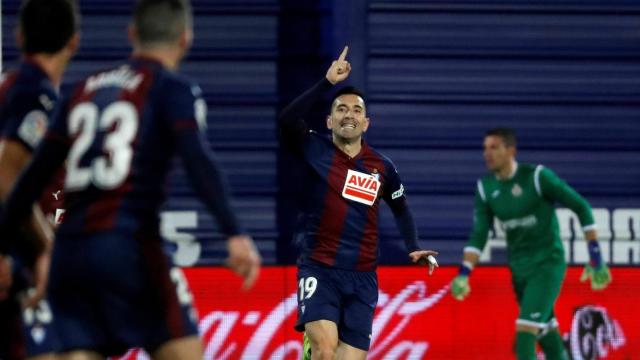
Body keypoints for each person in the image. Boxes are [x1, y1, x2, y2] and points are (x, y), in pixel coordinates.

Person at [0, 0, 261, 359]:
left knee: (80, 351)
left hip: (69, 254)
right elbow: (198, 161)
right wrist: (234, 232)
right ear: (185, 39)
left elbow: (28, 180)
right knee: (184, 349)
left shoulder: (81, 90)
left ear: (131, 34)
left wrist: (2, 246)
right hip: (130, 246)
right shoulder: (171, 88)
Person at [279, 46, 438, 360]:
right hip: (319, 268)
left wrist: (413, 246)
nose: (348, 114)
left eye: (355, 110)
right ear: (328, 121)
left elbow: (401, 209)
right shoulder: (314, 149)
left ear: (366, 123)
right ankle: (315, 348)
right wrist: (327, 83)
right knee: (326, 351)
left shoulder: (383, 167)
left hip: (363, 277)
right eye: (340, 109)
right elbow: (286, 120)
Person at [450, 127, 612, 360]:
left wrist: (595, 255)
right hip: (519, 270)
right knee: (548, 336)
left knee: (524, 337)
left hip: (547, 265)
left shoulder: (536, 177)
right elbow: (479, 235)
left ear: (511, 150)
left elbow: (581, 207)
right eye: (485, 148)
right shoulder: (485, 188)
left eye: (494, 147)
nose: (487, 153)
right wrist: (464, 273)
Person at [0, 0, 79, 358]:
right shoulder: (35, 94)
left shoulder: (12, 88)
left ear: (18, 36)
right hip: (15, 261)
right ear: (73, 42)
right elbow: (6, 179)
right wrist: (46, 249)